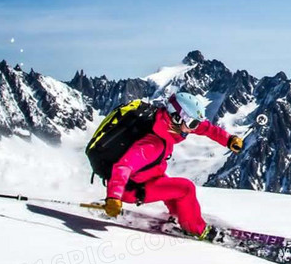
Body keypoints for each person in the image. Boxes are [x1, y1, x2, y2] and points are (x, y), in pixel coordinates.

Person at [100, 92, 244, 240]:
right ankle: (197, 231)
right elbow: (123, 167)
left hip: (148, 176)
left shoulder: (164, 123)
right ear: (176, 117)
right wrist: (113, 197)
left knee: (175, 194)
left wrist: (228, 139)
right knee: (186, 189)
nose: (194, 128)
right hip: (132, 189)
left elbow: (205, 128)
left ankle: (178, 218)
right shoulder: (152, 144)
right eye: (192, 124)